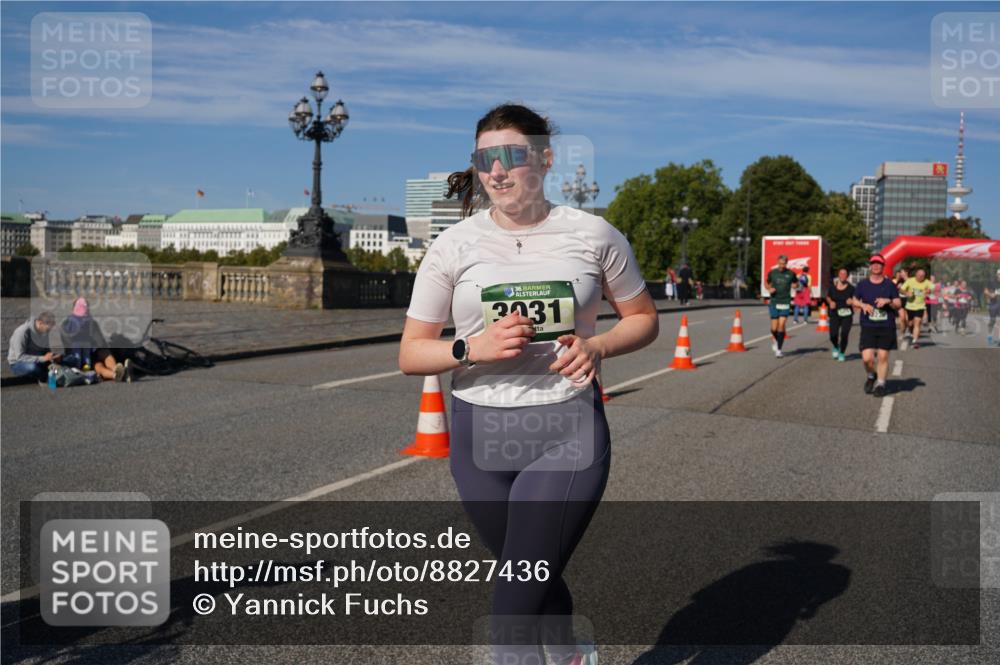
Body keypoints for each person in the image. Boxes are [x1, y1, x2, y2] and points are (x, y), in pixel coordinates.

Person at [399, 103, 658, 665]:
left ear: (543, 160)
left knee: (513, 603)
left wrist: (597, 345)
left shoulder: (593, 235)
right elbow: (410, 353)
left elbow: (643, 318)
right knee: (529, 569)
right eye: (484, 159)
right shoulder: (453, 246)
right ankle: (570, 655)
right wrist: (472, 347)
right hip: (477, 434)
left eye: (512, 156)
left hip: (566, 428)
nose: (497, 171)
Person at [849, 254, 902, 397]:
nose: (876, 266)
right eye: (873, 263)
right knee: (867, 359)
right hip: (868, 325)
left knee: (883, 357)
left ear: (883, 266)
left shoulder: (889, 285)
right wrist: (862, 304)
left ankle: (881, 384)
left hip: (886, 326)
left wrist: (888, 301)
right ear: (870, 266)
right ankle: (871, 376)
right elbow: (853, 300)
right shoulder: (862, 284)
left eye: (879, 263)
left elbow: (898, 304)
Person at [59, 297, 132, 382]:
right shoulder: (91, 323)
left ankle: (115, 374)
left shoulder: (66, 324)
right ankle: (116, 369)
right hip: (86, 355)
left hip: (77, 357)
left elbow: (67, 344)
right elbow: (100, 343)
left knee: (98, 366)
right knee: (105, 354)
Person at [7, 311, 59, 380]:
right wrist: (43, 358)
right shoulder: (22, 332)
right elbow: (19, 357)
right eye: (49, 327)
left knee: (64, 361)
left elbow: (46, 350)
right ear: (40, 323)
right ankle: (48, 378)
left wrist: (53, 356)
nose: (51, 329)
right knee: (33, 368)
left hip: (38, 360)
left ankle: (55, 375)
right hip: (19, 363)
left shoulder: (45, 331)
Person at [765, 254, 798, 358]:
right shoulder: (772, 273)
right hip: (774, 301)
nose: (781, 265)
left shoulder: (791, 273)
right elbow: (767, 283)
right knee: (773, 329)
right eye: (780, 263)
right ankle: (776, 340)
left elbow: (796, 283)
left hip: (785, 301)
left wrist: (795, 285)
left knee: (781, 325)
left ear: (786, 264)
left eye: (783, 264)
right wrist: (769, 289)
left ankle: (779, 350)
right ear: (777, 262)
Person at [825, 268, 855, 362]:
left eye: (844, 274)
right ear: (838, 275)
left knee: (844, 334)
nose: (842, 275)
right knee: (833, 335)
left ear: (847, 276)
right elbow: (828, 297)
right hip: (834, 313)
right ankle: (835, 346)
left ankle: (842, 352)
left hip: (847, 314)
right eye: (841, 273)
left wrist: (852, 301)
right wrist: (830, 302)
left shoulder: (851, 288)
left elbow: (856, 299)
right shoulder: (832, 287)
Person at [900, 268, 932, 349]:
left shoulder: (926, 282)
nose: (921, 277)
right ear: (916, 275)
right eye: (919, 275)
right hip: (910, 306)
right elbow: (901, 290)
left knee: (917, 323)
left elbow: (933, 287)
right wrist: (907, 293)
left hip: (920, 306)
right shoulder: (910, 281)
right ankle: (910, 330)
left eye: (923, 276)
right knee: (910, 323)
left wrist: (929, 291)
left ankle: (915, 341)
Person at [983, 269, 1000, 346]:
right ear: (997, 275)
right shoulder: (992, 282)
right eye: (999, 274)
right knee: (992, 321)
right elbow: (985, 291)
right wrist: (991, 295)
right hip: (993, 304)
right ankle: (989, 336)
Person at [893, 268, 909, 338]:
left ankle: (908, 330)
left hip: (909, 301)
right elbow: (895, 290)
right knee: (902, 318)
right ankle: (902, 332)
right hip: (901, 300)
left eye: (902, 272)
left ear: (906, 272)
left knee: (907, 319)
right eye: (900, 272)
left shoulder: (911, 280)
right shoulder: (899, 281)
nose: (901, 274)